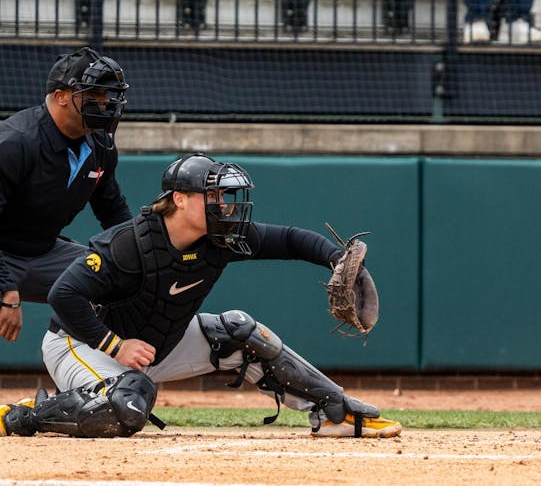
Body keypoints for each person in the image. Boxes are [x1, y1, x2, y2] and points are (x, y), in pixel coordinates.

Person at [0, 153, 401, 439]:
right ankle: (28, 416)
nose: (223, 204)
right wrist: (115, 346)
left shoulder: (222, 237)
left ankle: (335, 410)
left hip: (153, 347)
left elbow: (292, 239)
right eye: (213, 196)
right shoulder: (129, 244)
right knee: (127, 405)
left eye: (225, 196)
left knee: (242, 332)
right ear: (179, 199)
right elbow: (63, 294)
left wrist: (337, 259)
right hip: (79, 343)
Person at [0, 46, 132, 343]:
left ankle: (98, 381)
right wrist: (6, 290)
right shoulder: (14, 143)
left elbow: (113, 211)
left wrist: (143, 257)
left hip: (43, 251)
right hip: (2, 256)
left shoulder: (100, 146)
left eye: (107, 96)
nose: (104, 104)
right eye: (94, 95)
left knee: (122, 279)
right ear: (61, 96)